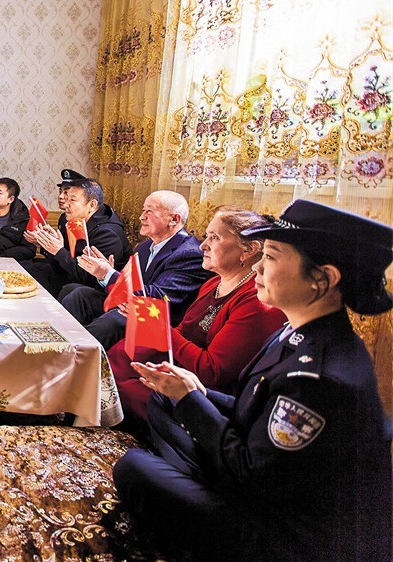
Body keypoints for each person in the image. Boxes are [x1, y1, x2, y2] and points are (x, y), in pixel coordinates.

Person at [112, 199, 392, 562]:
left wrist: (192, 400)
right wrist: (194, 392)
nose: (257, 267)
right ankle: (187, 473)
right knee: (165, 397)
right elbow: (254, 407)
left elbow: (251, 473)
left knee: (133, 467)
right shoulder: (299, 331)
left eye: (271, 257)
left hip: (274, 529)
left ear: (322, 279)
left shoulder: (320, 378)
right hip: (255, 477)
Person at [107, 206, 287, 431]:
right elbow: (183, 332)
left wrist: (160, 327)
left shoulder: (256, 302)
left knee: (127, 390)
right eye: (206, 236)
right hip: (181, 368)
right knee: (117, 357)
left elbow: (212, 372)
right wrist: (148, 321)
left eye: (215, 238)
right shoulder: (213, 283)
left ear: (249, 250)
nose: (203, 245)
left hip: (205, 393)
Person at [60, 190, 210, 348]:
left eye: (149, 211)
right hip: (130, 305)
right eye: (143, 210)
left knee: (114, 320)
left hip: (156, 320)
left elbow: (157, 297)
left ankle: (74, 353)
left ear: (174, 219)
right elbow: (128, 283)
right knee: (80, 295)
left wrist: (108, 274)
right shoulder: (145, 246)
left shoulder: (189, 254)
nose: (141, 217)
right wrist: (104, 274)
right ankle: (57, 343)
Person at [22, 169, 131, 298]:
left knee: (69, 290)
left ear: (92, 205)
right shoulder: (72, 220)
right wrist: (49, 244)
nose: (66, 205)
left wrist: (58, 250)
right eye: (66, 199)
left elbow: (88, 278)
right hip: (73, 276)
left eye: (72, 200)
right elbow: (63, 264)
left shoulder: (107, 234)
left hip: (102, 292)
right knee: (27, 268)